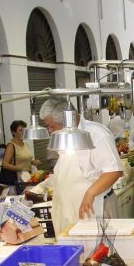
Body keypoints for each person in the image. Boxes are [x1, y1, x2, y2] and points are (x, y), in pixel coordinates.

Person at [39, 96, 123, 235]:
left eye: (51, 126)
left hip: (96, 207)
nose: (49, 130)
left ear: (67, 120)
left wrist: (90, 193)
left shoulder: (97, 134)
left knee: (102, 253)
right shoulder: (65, 137)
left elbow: (113, 171)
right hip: (71, 210)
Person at [0, 120, 39, 188]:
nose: (23, 132)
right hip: (17, 179)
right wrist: (20, 168)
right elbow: (5, 164)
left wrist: (33, 162)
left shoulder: (26, 144)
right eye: (20, 130)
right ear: (14, 132)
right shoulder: (11, 145)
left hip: (28, 177)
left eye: (24, 130)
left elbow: (23, 159)